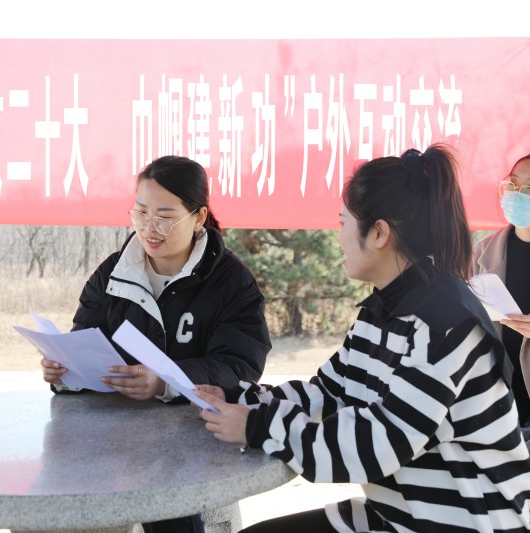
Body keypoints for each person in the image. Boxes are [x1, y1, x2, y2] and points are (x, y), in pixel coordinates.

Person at [196, 144, 530, 532]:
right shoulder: (381, 309)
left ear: (379, 233)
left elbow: (380, 444)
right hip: (399, 513)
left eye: (343, 223)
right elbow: (327, 392)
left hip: (467, 522)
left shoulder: (445, 322)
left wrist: (258, 427)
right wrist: (238, 398)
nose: (339, 238)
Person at [41, 154, 272, 533]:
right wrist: (65, 370)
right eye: (141, 213)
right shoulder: (113, 273)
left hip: (194, 437)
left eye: (165, 217)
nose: (150, 228)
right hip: (113, 439)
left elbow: (239, 365)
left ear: (198, 217)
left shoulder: (231, 282)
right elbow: (86, 341)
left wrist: (165, 380)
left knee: (174, 514)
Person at [473, 154, 530, 441]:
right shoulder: (481, 253)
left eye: (528, 189)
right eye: (512, 185)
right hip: (495, 405)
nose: (516, 195)